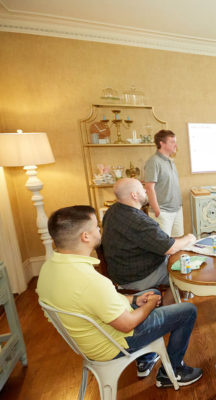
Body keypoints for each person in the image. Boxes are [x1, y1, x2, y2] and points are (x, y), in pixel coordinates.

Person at [37, 206, 202, 388]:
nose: (100, 229)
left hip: (91, 337)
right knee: (187, 311)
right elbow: (127, 324)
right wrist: (149, 305)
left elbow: (95, 302)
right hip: (114, 344)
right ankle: (172, 372)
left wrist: (133, 300)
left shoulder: (48, 268)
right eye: (96, 226)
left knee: (152, 293)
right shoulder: (90, 281)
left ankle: (147, 356)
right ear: (85, 236)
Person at [102, 178, 196, 292]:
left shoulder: (112, 211)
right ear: (134, 195)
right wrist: (189, 238)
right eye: (142, 188)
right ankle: (169, 305)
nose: (146, 191)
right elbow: (170, 248)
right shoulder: (138, 221)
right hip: (138, 277)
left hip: (122, 272)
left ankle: (167, 301)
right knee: (186, 271)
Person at [144, 130, 183, 236]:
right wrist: (157, 210)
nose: (176, 145)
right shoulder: (154, 161)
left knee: (177, 242)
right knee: (164, 247)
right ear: (162, 143)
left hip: (176, 209)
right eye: (172, 142)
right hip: (163, 212)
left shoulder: (170, 161)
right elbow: (149, 188)